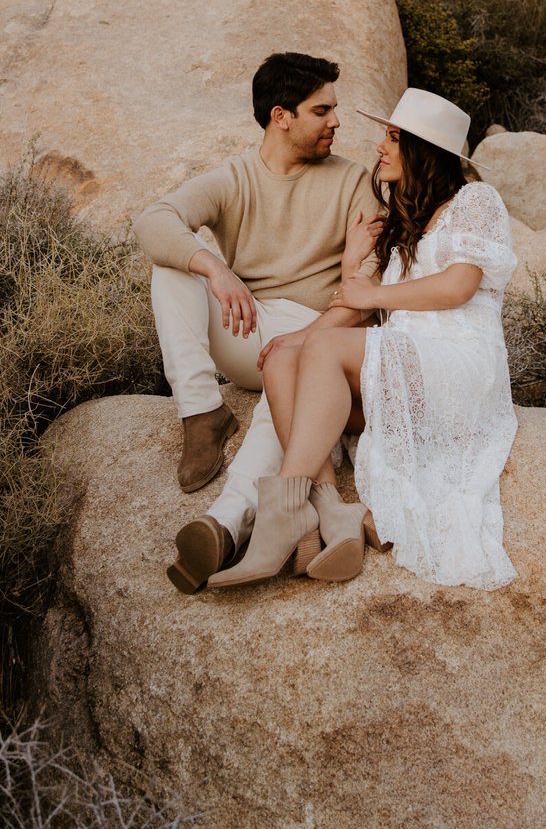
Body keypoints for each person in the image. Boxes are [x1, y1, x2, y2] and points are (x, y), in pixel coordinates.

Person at [208, 87, 519, 593]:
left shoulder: (475, 200)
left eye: (393, 138)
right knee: (286, 360)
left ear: (425, 151)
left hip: (456, 366)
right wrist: (338, 285)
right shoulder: (403, 224)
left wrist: (373, 292)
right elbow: (359, 303)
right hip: (402, 369)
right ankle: (330, 514)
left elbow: (457, 286)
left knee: (321, 350)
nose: (380, 147)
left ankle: (279, 517)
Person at [133, 51, 381, 594]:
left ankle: (224, 524)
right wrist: (215, 268)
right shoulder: (234, 179)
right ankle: (202, 412)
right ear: (280, 116)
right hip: (247, 327)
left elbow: (369, 282)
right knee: (173, 266)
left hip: (316, 336)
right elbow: (153, 220)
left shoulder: (353, 181)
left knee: (290, 384)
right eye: (322, 111)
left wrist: (310, 335)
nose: (336, 121)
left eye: (334, 109)